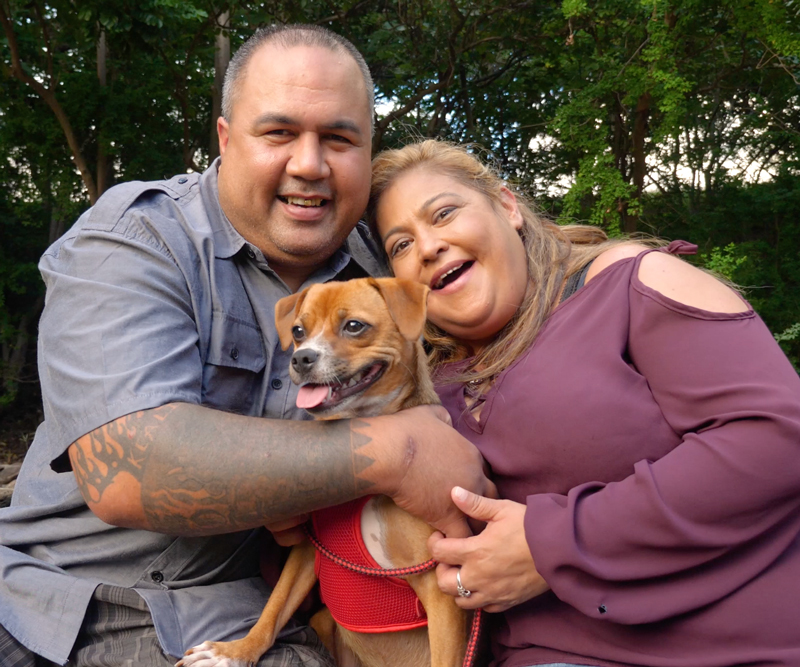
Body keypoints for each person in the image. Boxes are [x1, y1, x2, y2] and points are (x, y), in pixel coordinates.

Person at [0, 28, 492, 667]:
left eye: (339, 139)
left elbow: (505, 275)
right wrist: (396, 454)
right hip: (54, 595)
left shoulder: (383, 270)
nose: (310, 164)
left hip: (238, 604)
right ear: (227, 140)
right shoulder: (134, 241)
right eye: (279, 133)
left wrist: (613, 264)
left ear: (369, 155)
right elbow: (128, 469)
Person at [367, 139, 800, 667]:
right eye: (400, 245)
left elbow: (776, 438)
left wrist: (550, 547)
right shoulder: (424, 382)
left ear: (506, 205)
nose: (428, 246)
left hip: (730, 647)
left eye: (445, 213)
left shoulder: (628, 283)